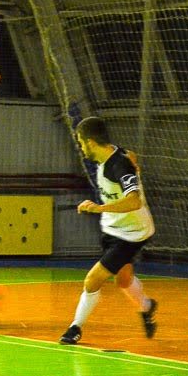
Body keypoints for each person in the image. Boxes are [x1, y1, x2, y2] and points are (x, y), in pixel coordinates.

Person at [59, 116, 157, 345]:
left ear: (91, 142)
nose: (81, 148)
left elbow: (134, 202)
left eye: (82, 143)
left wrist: (99, 208)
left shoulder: (119, 165)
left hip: (131, 234)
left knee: (92, 281)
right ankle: (147, 306)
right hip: (113, 229)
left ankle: (75, 328)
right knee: (123, 281)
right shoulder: (114, 156)